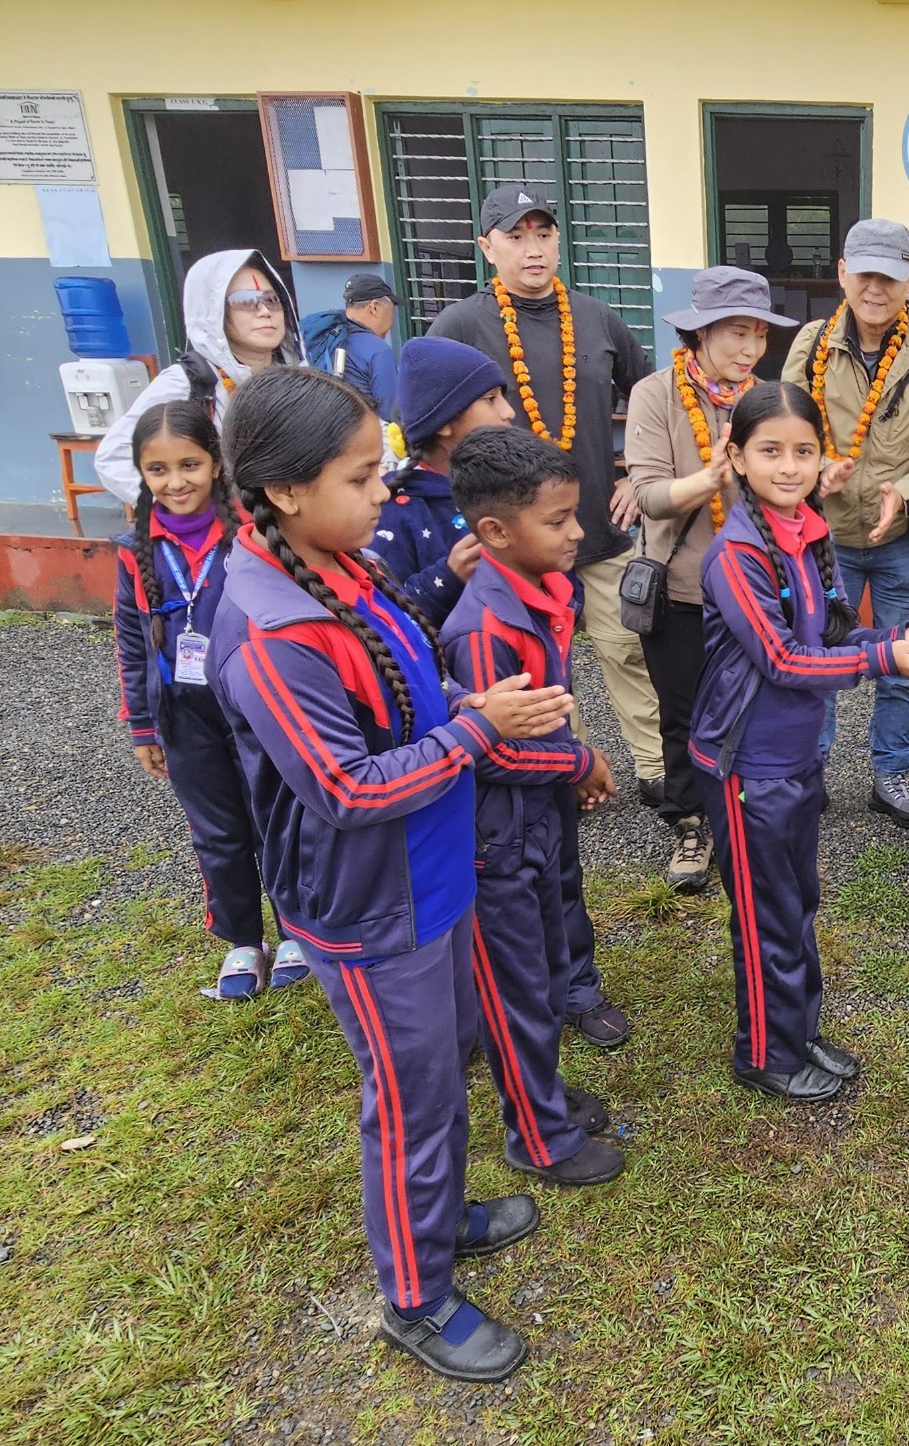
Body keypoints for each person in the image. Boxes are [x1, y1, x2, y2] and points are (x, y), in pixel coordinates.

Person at [210, 367, 579, 1382]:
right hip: (370, 907)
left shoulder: (342, 565)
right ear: (287, 489)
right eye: (363, 475)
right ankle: (415, 1298)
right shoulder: (276, 630)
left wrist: (465, 703)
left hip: (431, 873)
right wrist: (479, 730)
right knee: (409, 1098)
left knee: (443, 1064)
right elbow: (347, 787)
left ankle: (439, 1217)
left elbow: (407, 690)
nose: (386, 492)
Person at [691, 382, 909, 1100]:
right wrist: (884, 660)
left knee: (797, 902)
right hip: (746, 765)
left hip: (797, 757)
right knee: (764, 916)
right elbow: (782, 659)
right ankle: (763, 1054)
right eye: (770, 451)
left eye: (803, 451)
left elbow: (833, 632)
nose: (789, 467)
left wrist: (903, 637)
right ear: (737, 458)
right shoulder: (736, 554)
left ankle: (797, 1032)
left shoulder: (807, 534)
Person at [427, 183, 665, 806]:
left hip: (600, 529)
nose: (532, 249)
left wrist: (636, 477)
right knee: (538, 667)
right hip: (514, 544)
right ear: (487, 248)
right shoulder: (459, 325)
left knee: (628, 652)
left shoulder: (597, 317)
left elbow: (650, 395)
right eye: (515, 237)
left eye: (543, 234)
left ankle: (657, 772)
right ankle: (563, 771)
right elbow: (428, 426)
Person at [442, 427, 625, 1187]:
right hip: (497, 841)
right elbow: (492, 748)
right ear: (495, 532)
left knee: (548, 969)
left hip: (539, 823)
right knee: (515, 987)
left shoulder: (545, 591)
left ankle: (541, 1089)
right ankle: (537, 1134)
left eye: (575, 514)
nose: (577, 532)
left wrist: (564, 767)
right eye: (558, 520)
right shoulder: (484, 629)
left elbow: (540, 722)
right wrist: (579, 761)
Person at [782, 219, 909, 830]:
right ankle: (809, 772)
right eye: (864, 273)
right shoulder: (811, 344)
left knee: (902, 665)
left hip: (901, 541)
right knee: (816, 659)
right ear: (842, 273)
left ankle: (891, 775)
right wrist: (817, 473)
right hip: (823, 539)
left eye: (889, 276)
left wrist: (904, 496)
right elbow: (786, 434)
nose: (875, 288)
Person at [113, 400, 300, 1001]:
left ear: (216, 464)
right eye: (158, 469)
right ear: (142, 474)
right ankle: (243, 939)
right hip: (183, 715)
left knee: (274, 816)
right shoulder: (135, 548)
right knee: (217, 831)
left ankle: (295, 929)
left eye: (189, 464)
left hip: (255, 705)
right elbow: (131, 640)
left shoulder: (252, 531)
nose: (175, 482)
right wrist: (143, 726)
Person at [626, 266, 795, 893]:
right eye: (736, 333)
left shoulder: (767, 400)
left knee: (752, 708)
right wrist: (711, 477)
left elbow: (785, 488)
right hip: (682, 587)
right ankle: (691, 824)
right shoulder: (655, 394)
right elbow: (648, 494)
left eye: (759, 334)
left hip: (753, 587)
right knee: (683, 714)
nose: (751, 349)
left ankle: (744, 818)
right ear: (699, 333)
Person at [96, 249, 302, 504]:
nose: (264, 311)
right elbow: (114, 458)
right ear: (212, 312)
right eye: (246, 301)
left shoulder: (297, 377)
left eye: (272, 300)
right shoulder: (189, 382)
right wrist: (188, 514)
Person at [372, 338, 514, 624]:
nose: (508, 412)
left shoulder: (511, 485)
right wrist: (447, 579)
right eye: (490, 399)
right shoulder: (394, 511)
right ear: (444, 422)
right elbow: (385, 617)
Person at [339, 272, 401, 420]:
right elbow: (392, 414)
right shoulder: (378, 351)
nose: (392, 323)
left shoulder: (329, 338)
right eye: (391, 312)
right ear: (374, 307)